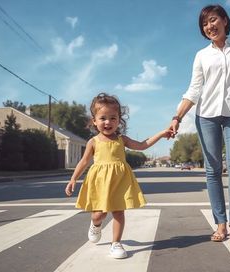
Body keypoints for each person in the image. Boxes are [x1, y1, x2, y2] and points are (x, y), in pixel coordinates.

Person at [168, 4, 230, 249]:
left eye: (213, 20)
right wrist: (177, 116)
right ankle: (220, 222)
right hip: (206, 115)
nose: (210, 26)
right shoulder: (201, 55)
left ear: (225, 21)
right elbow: (194, 89)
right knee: (212, 169)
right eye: (205, 24)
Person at [65, 92, 171, 259]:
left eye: (113, 118)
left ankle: (116, 243)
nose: (108, 122)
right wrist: (73, 180)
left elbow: (143, 145)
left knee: (118, 212)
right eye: (103, 118)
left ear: (119, 120)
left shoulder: (122, 139)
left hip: (119, 181)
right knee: (99, 213)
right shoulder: (93, 142)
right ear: (94, 121)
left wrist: (161, 133)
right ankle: (96, 224)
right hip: (100, 182)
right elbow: (84, 162)